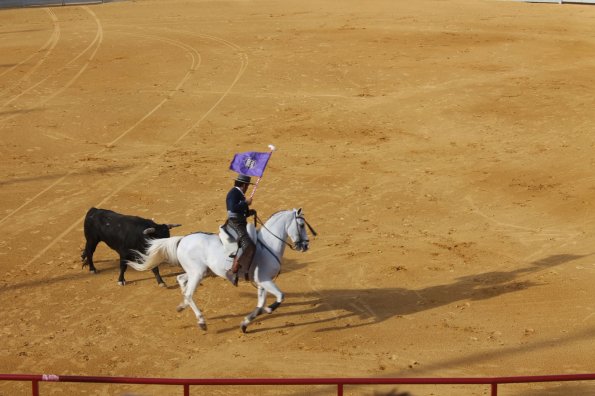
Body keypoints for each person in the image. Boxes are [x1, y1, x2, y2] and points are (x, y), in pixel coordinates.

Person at [225, 174, 256, 286]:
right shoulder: (233, 193)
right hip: (234, 223)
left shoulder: (240, 194)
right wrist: (245, 203)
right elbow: (233, 208)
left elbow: (242, 211)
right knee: (247, 244)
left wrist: (250, 211)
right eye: (247, 185)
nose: (248, 188)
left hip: (240, 222)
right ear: (244, 185)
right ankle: (232, 271)